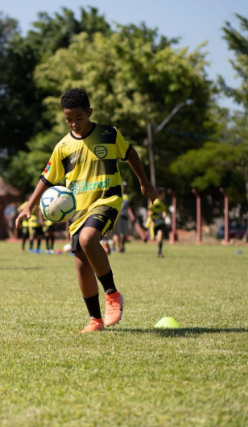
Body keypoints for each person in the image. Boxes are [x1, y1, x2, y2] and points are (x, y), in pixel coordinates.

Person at [16, 88, 155, 333]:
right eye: (68, 119)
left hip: (107, 200)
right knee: (81, 264)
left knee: (88, 238)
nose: (74, 123)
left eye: (78, 118)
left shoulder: (109, 134)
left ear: (89, 112)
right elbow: (47, 177)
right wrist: (30, 205)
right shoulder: (63, 146)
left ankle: (112, 295)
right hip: (78, 210)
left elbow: (130, 152)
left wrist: (144, 181)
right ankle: (95, 320)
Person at [148, 189, 169, 258]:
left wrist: (164, 215)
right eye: (163, 195)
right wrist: (151, 221)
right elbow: (149, 212)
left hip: (159, 223)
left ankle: (159, 253)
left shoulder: (162, 204)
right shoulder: (154, 203)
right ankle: (147, 237)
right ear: (159, 195)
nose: (164, 196)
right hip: (153, 223)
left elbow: (164, 211)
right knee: (152, 238)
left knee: (160, 235)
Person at [111, 182, 132, 253]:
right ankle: (118, 247)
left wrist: (131, 216)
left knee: (123, 233)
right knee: (118, 233)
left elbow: (128, 207)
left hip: (125, 216)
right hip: (118, 216)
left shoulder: (128, 196)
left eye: (125, 186)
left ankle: (120, 247)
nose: (124, 188)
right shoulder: (117, 194)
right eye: (123, 186)